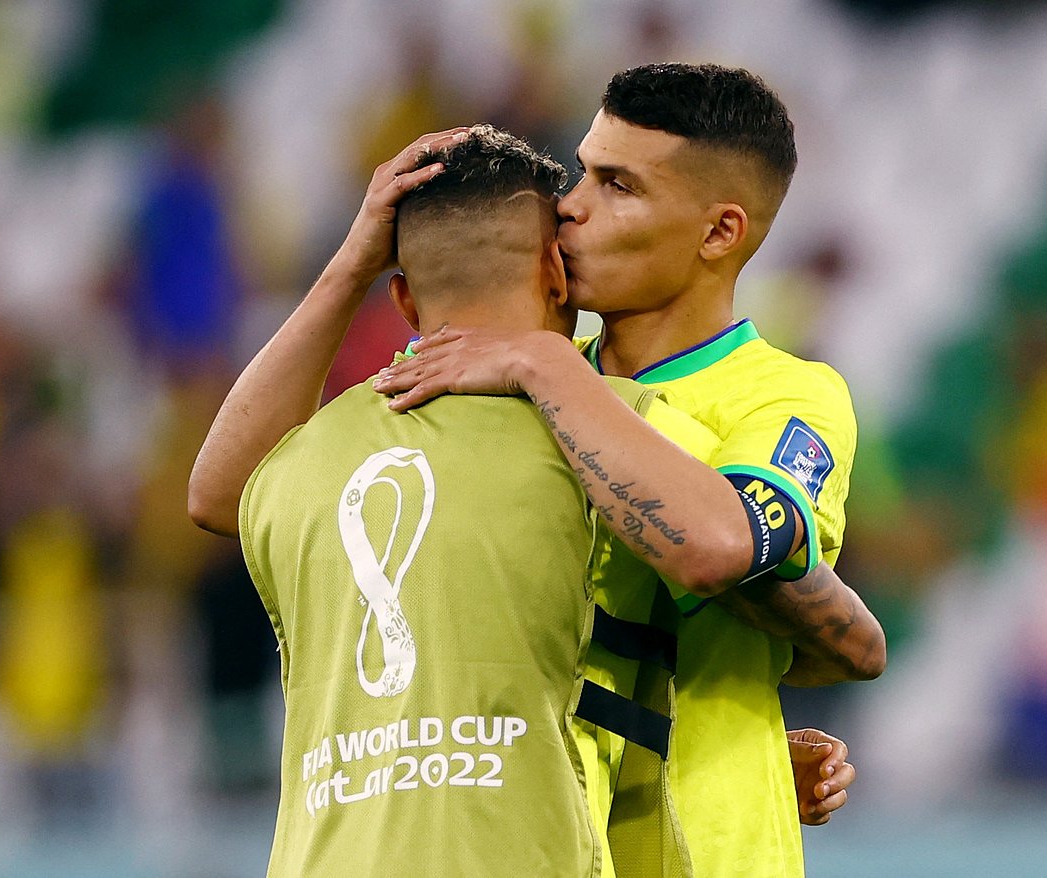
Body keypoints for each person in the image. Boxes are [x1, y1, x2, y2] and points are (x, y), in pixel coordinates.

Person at [189, 74, 880, 874]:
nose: (572, 205)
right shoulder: (502, 373)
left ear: (720, 232)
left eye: (617, 185)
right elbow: (236, 493)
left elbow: (739, 559)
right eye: (583, 169)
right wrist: (355, 266)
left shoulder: (783, 394)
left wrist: (542, 362)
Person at [234, 125, 730, 875]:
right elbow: (720, 549)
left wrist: (351, 263)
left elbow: (213, 494)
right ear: (556, 275)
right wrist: (547, 361)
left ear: (400, 297)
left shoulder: (293, 463)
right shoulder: (619, 426)